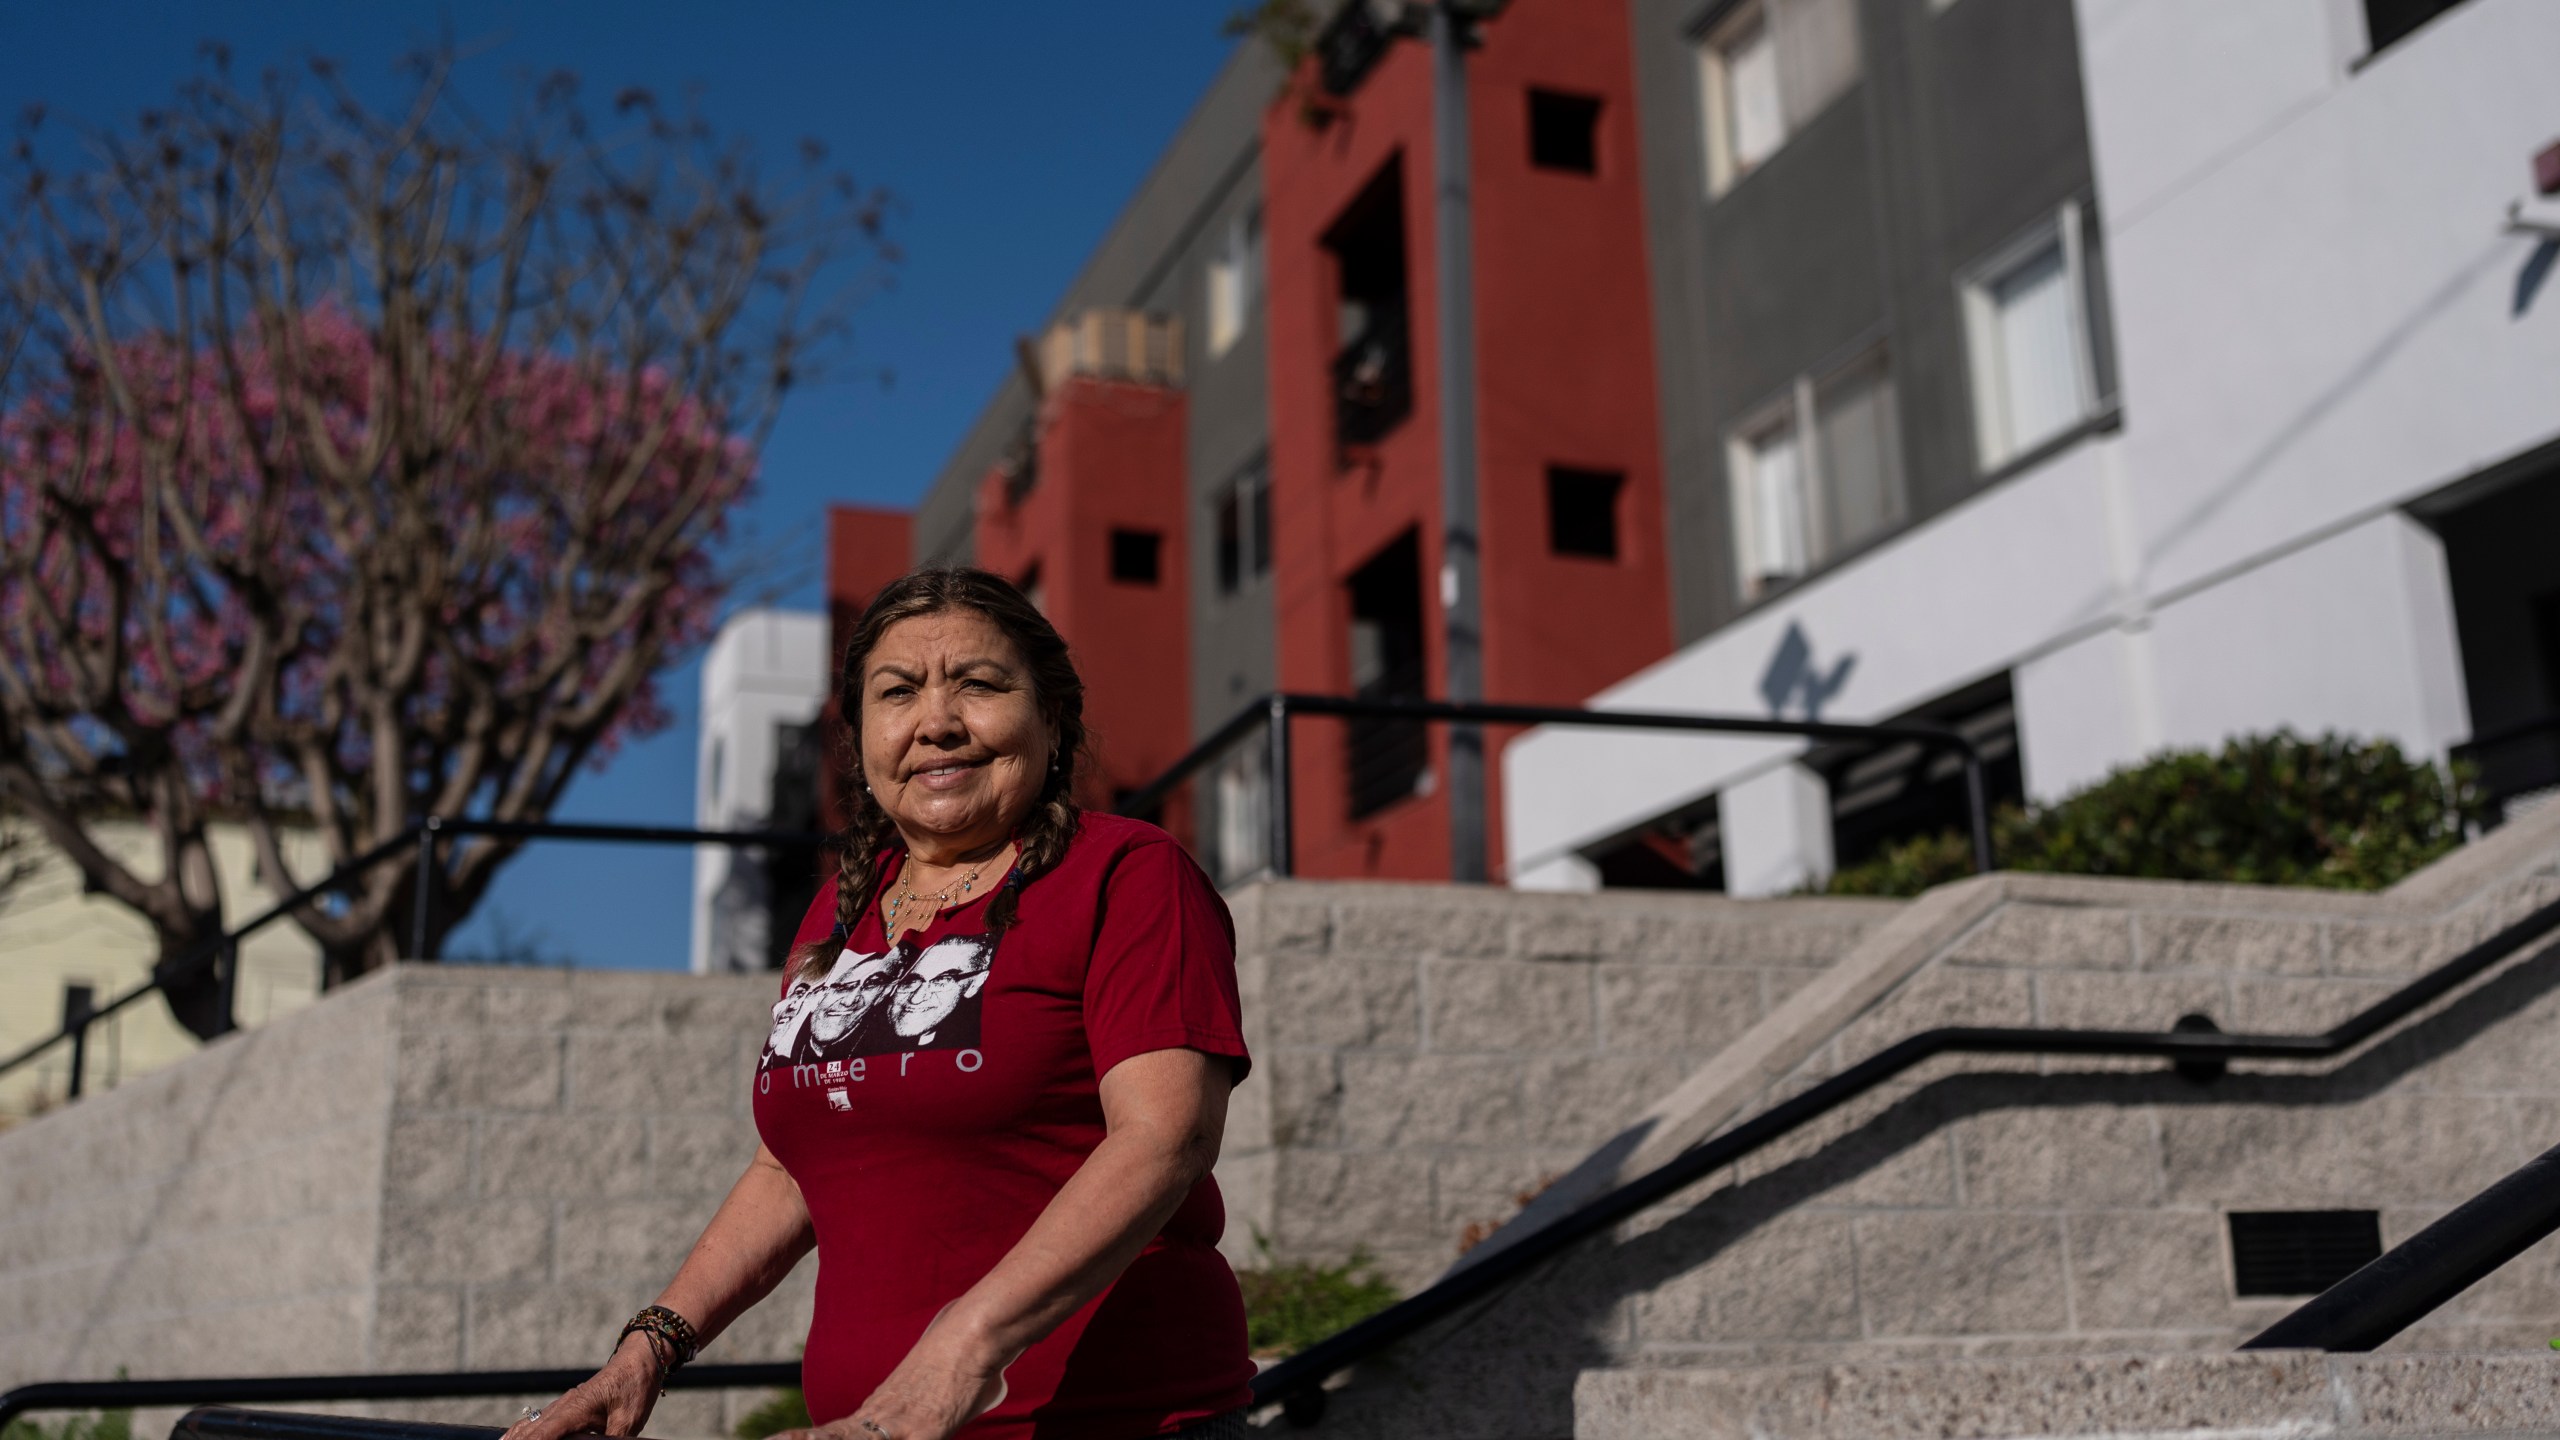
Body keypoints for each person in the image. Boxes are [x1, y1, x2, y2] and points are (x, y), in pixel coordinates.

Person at [507, 568, 1253, 1440]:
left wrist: (961, 1356)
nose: (937, 721)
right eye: (898, 692)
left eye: (979, 683)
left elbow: (1165, 1138)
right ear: (861, 738)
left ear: (1051, 717)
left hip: (1115, 1418)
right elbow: (785, 1171)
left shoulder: (1126, 874)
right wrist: (647, 1350)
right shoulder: (839, 914)